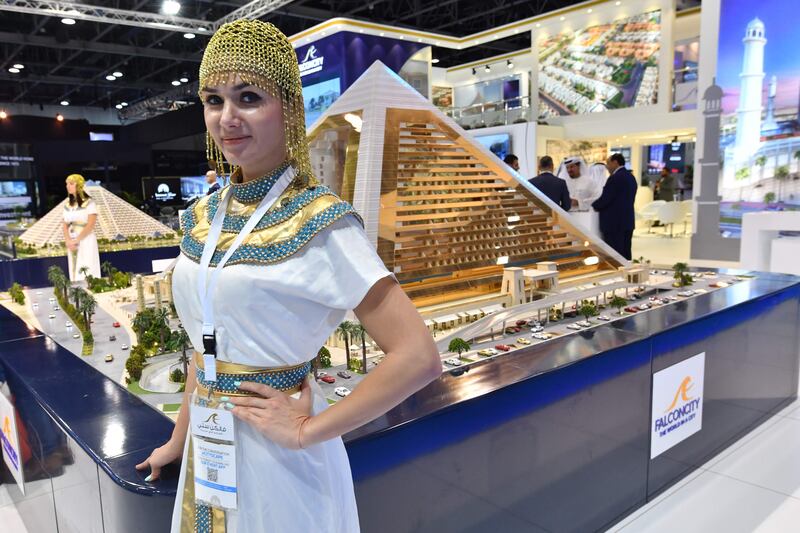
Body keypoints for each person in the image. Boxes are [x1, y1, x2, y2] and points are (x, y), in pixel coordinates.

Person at [135, 19, 441, 533]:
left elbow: (418, 356)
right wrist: (179, 437)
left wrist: (306, 430)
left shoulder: (323, 222)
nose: (227, 117)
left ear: (290, 109)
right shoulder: (203, 216)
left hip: (277, 458)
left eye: (248, 97)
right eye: (213, 100)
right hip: (208, 453)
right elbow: (204, 347)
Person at [592, 153, 638, 260]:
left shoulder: (615, 178)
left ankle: (618, 276)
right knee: (626, 253)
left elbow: (606, 199)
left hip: (614, 224)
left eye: (608, 163)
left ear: (615, 162)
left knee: (615, 256)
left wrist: (593, 205)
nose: (607, 167)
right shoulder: (631, 177)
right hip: (627, 222)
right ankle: (627, 275)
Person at [62, 174, 100, 282]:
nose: (68, 186)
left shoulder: (89, 203)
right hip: (72, 242)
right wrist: (68, 240)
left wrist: (76, 240)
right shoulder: (67, 205)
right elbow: (64, 224)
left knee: (87, 267)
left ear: (78, 185)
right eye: (67, 184)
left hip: (86, 240)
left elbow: (90, 225)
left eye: (71, 184)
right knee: (75, 269)